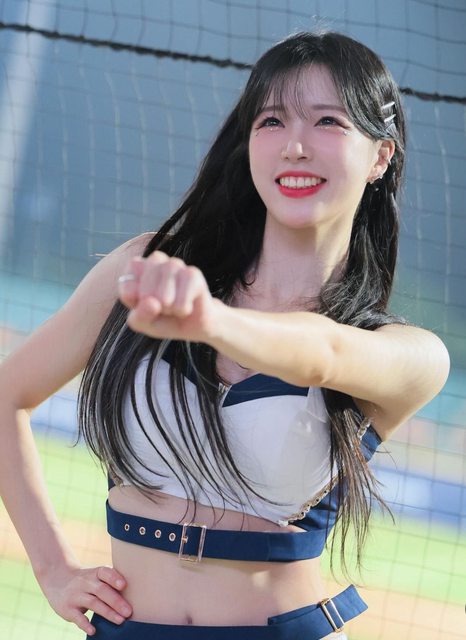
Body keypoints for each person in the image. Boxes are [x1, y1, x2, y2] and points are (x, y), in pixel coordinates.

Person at [0, 31, 449, 640]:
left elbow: (323, 352)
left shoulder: (412, 355)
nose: (294, 146)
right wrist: (52, 569)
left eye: (328, 121)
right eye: (271, 121)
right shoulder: (144, 271)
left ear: (380, 156)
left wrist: (211, 322)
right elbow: (7, 394)